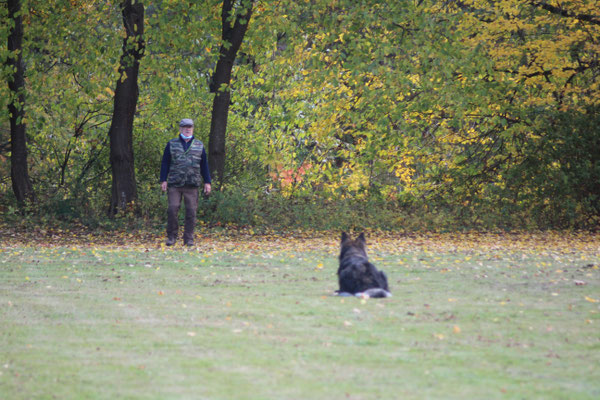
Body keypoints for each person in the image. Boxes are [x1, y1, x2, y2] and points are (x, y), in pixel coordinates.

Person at [160, 118, 211, 246]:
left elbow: (204, 165)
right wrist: (163, 179)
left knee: (191, 211)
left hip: (192, 185)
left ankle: (188, 239)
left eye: (190, 127)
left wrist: (207, 182)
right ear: (180, 129)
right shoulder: (172, 144)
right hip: (174, 184)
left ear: (193, 129)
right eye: (185, 127)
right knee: (172, 209)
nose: (188, 129)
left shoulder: (199, 145)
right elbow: (165, 162)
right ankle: (171, 237)